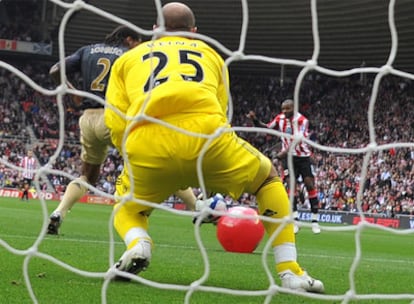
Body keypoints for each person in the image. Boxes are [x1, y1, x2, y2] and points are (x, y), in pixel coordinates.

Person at [104, 2, 324, 292]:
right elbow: (222, 109)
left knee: (125, 207)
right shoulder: (212, 55)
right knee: (268, 179)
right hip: (207, 139)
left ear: (154, 30)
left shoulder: (127, 60)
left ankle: (139, 244)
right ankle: (290, 271)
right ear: (194, 32)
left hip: (147, 143)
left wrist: (131, 153)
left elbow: (115, 120)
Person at [46, 25, 201, 235]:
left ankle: (59, 212)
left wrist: (73, 92)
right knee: (160, 162)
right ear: (130, 40)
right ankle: (197, 209)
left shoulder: (87, 50)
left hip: (88, 118)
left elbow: (55, 70)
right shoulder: (133, 55)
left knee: (88, 177)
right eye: (137, 42)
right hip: (114, 118)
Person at [247, 99, 321, 234]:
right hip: (289, 158)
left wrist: (280, 155)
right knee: (290, 185)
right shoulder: (280, 118)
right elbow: (268, 128)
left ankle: (315, 221)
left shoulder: (302, 121)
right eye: (283, 109)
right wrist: (255, 120)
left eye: (287, 109)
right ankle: (295, 221)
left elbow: (297, 141)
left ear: (294, 108)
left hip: (302, 156)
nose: (284, 112)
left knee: (309, 185)